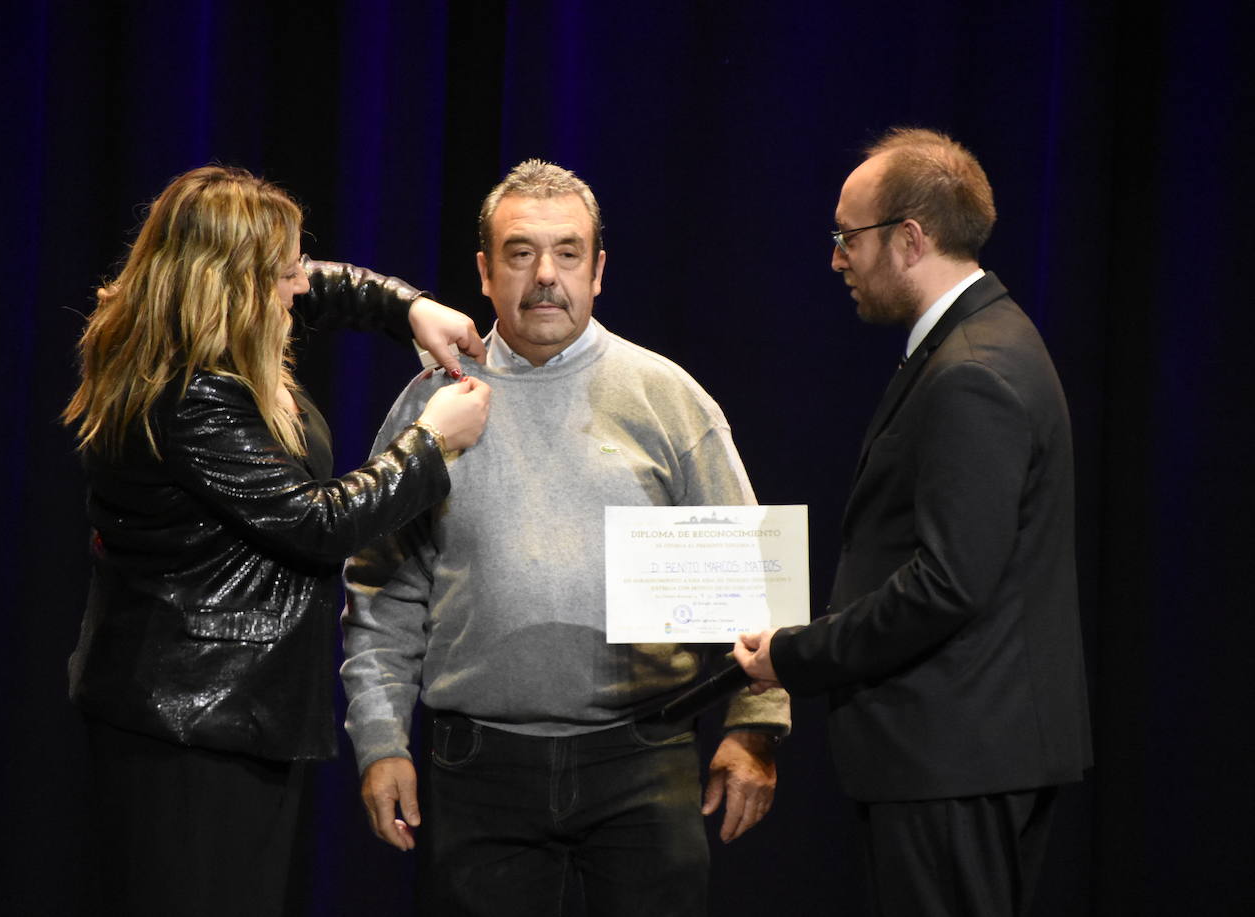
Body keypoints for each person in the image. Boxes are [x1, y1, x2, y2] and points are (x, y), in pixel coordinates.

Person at [340, 159, 790, 917]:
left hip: (644, 756)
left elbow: (753, 582)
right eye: (520, 253)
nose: (545, 274)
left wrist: (756, 726)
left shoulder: (668, 398)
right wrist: (382, 740)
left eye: (568, 252)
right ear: (484, 271)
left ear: (599, 269)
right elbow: (383, 597)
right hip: (479, 764)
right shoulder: (432, 406)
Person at [62, 165, 491, 917]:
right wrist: (430, 443)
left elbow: (317, 285)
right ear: (228, 285)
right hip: (192, 723)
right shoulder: (193, 395)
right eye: (284, 273)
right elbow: (317, 523)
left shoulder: (172, 335)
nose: (300, 287)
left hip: (210, 712)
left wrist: (407, 306)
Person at [733, 128, 1092, 916]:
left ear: (909, 238)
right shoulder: (977, 345)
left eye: (846, 237)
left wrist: (794, 653)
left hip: (957, 758)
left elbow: (947, 584)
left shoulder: (973, 371)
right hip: (957, 755)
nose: (836, 258)